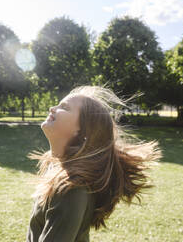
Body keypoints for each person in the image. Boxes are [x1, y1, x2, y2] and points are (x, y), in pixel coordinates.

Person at [26, 86, 161, 242]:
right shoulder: (57, 168)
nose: (52, 108)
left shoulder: (72, 187)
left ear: (82, 130)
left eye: (64, 107)